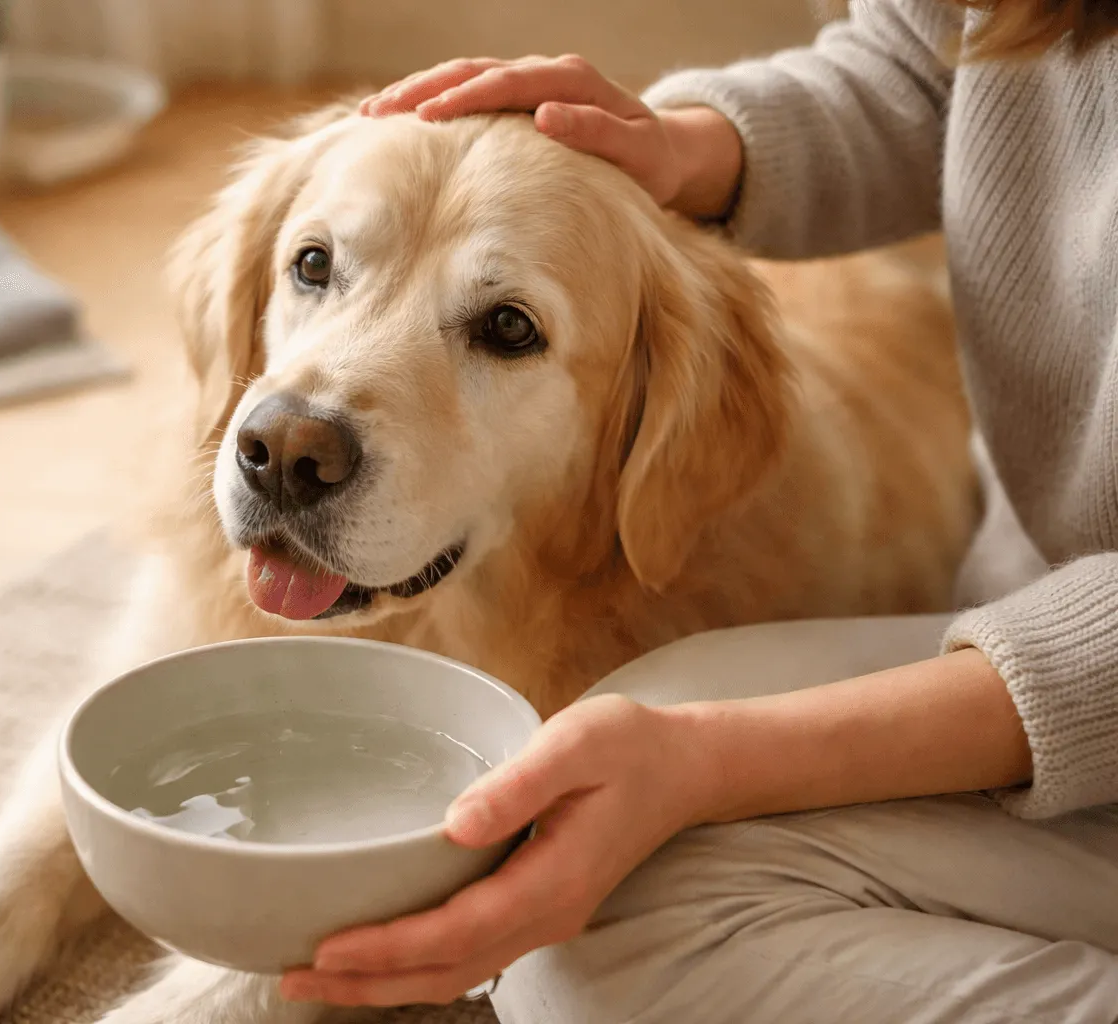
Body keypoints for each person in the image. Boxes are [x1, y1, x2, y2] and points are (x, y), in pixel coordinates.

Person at [276, 1, 1118, 1020]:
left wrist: (720, 762)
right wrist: (689, 149)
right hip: (1045, 611)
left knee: (578, 954)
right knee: (589, 835)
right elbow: (952, 54)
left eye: (506, 327)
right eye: (315, 267)